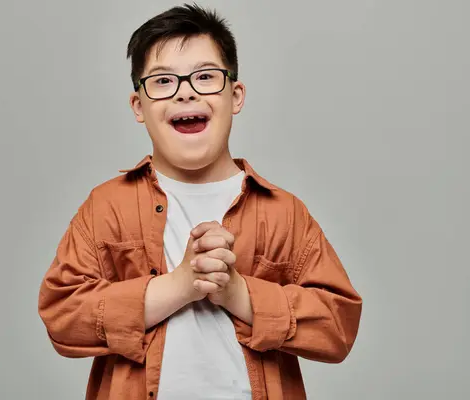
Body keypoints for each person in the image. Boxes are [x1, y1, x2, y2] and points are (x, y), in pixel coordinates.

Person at [38, 3, 362, 399]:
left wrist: (239, 293)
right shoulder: (106, 206)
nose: (186, 91)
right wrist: (179, 286)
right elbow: (62, 315)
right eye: (162, 81)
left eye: (206, 76)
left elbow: (338, 327)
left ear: (235, 95)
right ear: (139, 106)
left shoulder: (285, 213)